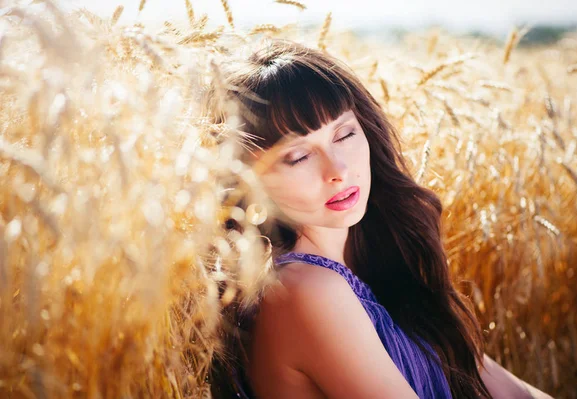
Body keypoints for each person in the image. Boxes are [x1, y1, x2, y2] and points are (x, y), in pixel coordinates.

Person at [204, 38, 553, 398]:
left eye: (344, 134)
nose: (337, 169)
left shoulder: (374, 266)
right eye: (297, 157)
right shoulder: (304, 290)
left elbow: (512, 392)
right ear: (245, 179)